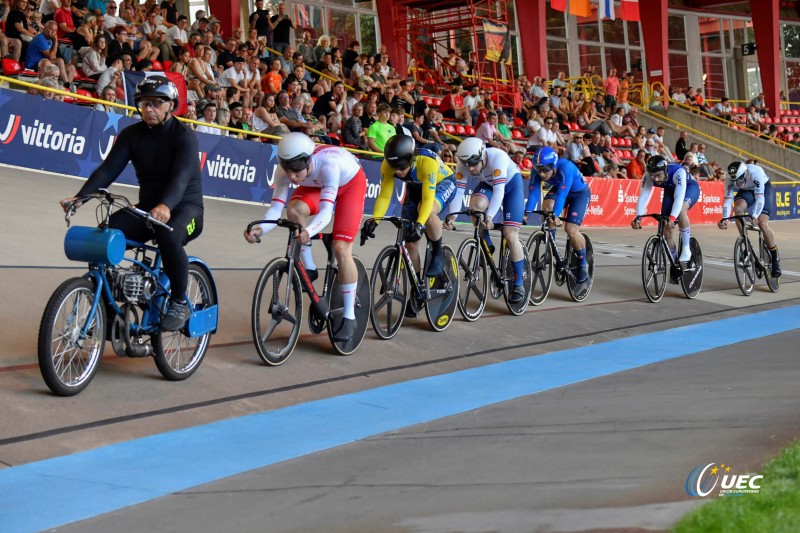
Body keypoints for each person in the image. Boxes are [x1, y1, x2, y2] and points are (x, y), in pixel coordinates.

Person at [59, 77, 203, 331]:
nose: (149, 109)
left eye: (156, 103)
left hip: (185, 210)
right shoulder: (131, 135)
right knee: (104, 236)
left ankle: (179, 301)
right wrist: (81, 197)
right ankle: (108, 311)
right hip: (148, 210)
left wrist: (166, 206)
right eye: (144, 103)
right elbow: (107, 171)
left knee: (170, 237)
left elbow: (181, 179)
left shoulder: (183, 136)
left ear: (171, 105)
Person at [243, 133, 367, 341]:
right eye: (288, 169)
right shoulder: (285, 171)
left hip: (350, 184)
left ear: (308, 161)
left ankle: (349, 316)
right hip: (317, 184)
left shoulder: (329, 165)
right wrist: (260, 230)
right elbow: (275, 210)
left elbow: (326, 213)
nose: (292, 177)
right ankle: (309, 267)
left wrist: (308, 231)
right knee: (294, 211)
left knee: (341, 248)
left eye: (296, 170)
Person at [364, 135, 460, 316]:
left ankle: (438, 254)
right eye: (395, 168)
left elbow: (428, 198)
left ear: (411, 159)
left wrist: (419, 224)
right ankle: (418, 288)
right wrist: (373, 221)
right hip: (416, 187)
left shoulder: (427, 162)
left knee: (426, 209)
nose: (398, 172)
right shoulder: (388, 164)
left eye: (402, 167)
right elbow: (385, 195)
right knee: (409, 244)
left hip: (442, 182)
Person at [446, 138, 528, 303]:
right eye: (467, 164)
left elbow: (499, 192)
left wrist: (490, 216)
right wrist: (452, 217)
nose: (470, 168)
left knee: (510, 234)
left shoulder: (498, 157)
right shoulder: (464, 164)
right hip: (489, 184)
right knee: (475, 208)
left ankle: (519, 283)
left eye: (474, 163)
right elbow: (459, 192)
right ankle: (487, 244)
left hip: (511, 186)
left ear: (483, 155)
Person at [526, 146, 592, 291]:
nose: (542, 174)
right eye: (539, 170)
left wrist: (556, 216)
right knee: (547, 205)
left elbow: (562, 196)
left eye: (545, 170)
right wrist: (527, 212)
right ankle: (551, 245)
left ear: (554, 166)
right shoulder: (538, 170)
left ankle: (582, 264)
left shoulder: (565, 168)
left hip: (579, 193)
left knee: (571, 229)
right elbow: (534, 192)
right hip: (561, 189)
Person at [632, 155, 700, 265]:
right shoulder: (648, 176)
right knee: (666, 231)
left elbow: (679, 197)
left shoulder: (678, 172)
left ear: (665, 170)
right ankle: (675, 262)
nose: (656, 179)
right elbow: (643, 196)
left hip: (689, 188)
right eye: (652, 176)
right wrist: (638, 217)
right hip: (670, 190)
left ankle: (686, 248)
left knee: (681, 211)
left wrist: (672, 218)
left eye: (658, 175)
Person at [718, 161, 781, 277]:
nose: (737, 183)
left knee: (762, 223)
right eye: (735, 181)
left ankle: (775, 256)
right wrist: (725, 219)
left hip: (764, 189)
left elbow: (760, 199)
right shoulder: (729, 179)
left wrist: (755, 216)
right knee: (738, 210)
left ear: (745, 173)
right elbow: (728, 201)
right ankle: (746, 244)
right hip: (746, 190)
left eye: (739, 180)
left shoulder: (755, 173)